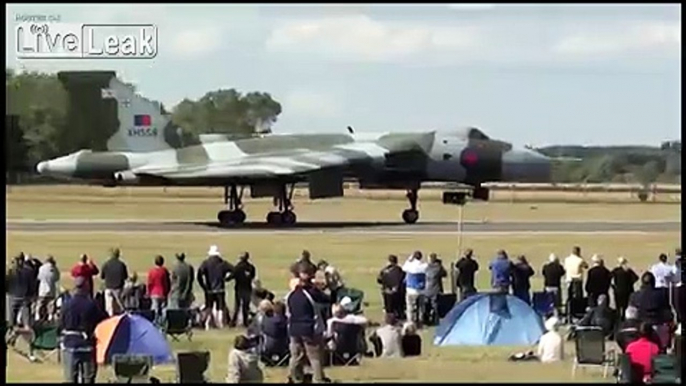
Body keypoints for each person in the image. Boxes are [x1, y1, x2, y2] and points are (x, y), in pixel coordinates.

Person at [285, 264, 331, 384]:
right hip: (309, 328)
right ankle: (318, 379)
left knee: (296, 356)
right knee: (315, 357)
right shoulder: (312, 293)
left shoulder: (291, 295)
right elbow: (327, 299)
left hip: (294, 329)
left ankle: (294, 377)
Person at [59, 276, 108, 383]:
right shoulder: (92, 304)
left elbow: (60, 324)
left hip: (70, 345)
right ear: (86, 287)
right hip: (87, 345)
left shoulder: (67, 304)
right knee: (88, 378)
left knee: (71, 378)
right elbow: (103, 320)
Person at [197, 245, 234, 330]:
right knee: (220, 307)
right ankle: (220, 323)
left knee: (209, 306)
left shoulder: (205, 263)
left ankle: (208, 323)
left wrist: (204, 286)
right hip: (220, 289)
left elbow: (199, 275)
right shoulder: (223, 263)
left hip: (209, 290)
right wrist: (227, 278)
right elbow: (234, 270)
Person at [6, 254, 36, 345]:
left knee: (12, 320)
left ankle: (13, 333)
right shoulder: (29, 271)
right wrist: (31, 295)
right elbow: (32, 285)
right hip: (24, 298)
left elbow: (7, 282)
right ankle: (22, 336)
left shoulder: (11, 271)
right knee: (26, 322)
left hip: (13, 297)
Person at [229, 252, 257, 328]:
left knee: (237, 306)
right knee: (246, 306)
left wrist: (225, 279)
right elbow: (253, 276)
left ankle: (233, 322)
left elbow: (231, 276)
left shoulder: (237, 267)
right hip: (247, 288)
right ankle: (245, 322)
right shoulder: (251, 267)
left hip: (239, 289)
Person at [100, 248, 129, 316]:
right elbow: (125, 277)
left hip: (108, 287)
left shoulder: (106, 264)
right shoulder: (121, 264)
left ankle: (110, 319)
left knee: (109, 308)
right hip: (118, 288)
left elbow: (102, 276)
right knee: (119, 307)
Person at [402, 251, 428, 325]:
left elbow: (404, 268)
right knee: (421, 307)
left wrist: (409, 259)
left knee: (410, 307)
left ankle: (411, 322)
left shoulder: (410, 266)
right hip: (421, 290)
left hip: (411, 290)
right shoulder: (424, 266)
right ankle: (420, 321)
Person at [377, 255, 405, 319]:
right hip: (397, 292)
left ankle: (389, 319)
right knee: (398, 307)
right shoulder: (399, 270)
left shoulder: (384, 270)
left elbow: (379, 280)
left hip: (387, 291)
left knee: (388, 309)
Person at [611, 257, 639, 321]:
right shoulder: (628, 270)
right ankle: (624, 318)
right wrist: (630, 283)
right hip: (627, 291)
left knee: (618, 307)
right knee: (625, 307)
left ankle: (618, 320)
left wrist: (613, 286)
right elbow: (636, 278)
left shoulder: (616, 270)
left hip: (618, 291)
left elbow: (609, 277)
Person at [423, 253, 447, 325]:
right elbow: (444, 274)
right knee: (435, 305)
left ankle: (426, 320)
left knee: (427, 305)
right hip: (436, 289)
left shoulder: (426, 268)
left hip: (427, 289)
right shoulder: (438, 267)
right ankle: (435, 320)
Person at [147, 255, 171, 323]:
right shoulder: (164, 271)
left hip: (154, 293)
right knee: (164, 309)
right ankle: (163, 322)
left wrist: (148, 292)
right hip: (163, 292)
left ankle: (155, 322)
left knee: (155, 309)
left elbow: (149, 283)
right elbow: (167, 282)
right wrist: (167, 291)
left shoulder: (152, 271)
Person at [37, 256, 60, 322]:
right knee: (50, 304)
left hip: (42, 289)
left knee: (40, 303)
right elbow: (57, 278)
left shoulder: (42, 268)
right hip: (51, 289)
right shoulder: (54, 269)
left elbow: (39, 277)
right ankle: (50, 316)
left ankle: (39, 316)